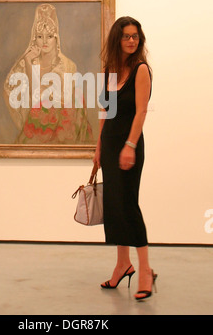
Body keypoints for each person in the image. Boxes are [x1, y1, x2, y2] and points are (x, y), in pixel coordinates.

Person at [94, 16, 157, 301]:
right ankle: (123, 263)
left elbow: (141, 112)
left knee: (129, 205)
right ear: (116, 39)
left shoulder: (141, 70)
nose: (132, 40)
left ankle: (145, 269)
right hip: (109, 146)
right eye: (126, 36)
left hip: (129, 145)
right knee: (114, 205)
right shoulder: (109, 70)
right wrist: (97, 149)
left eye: (135, 36)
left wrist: (130, 145)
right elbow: (106, 113)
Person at [4, 3, 93, 144]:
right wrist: (28, 62)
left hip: (61, 125)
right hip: (37, 123)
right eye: (40, 36)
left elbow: (60, 100)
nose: (45, 41)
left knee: (77, 97)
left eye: (50, 36)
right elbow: (30, 97)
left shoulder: (67, 65)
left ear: (56, 38)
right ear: (35, 39)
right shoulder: (26, 62)